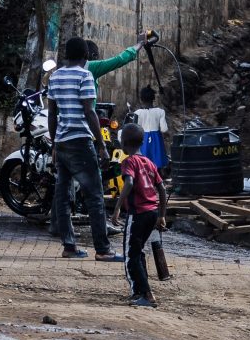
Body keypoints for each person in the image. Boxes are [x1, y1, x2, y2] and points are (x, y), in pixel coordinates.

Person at [45, 37, 122, 262]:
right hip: (81, 142)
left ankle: (69, 246)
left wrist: (54, 143)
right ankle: (103, 249)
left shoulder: (55, 77)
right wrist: (101, 145)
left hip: (62, 142)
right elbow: (89, 112)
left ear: (66, 55)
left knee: (63, 196)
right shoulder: (85, 76)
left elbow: (52, 114)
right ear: (86, 56)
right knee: (95, 196)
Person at [116, 122, 168, 308]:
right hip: (152, 213)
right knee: (138, 252)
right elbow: (162, 189)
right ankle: (139, 290)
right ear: (142, 142)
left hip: (137, 214)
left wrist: (117, 207)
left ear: (123, 144)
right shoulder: (150, 163)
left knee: (131, 255)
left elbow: (129, 183)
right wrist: (161, 215)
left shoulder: (129, 162)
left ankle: (147, 295)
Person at [133, 86, 169, 171]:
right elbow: (164, 129)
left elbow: (134, 129)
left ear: (141, 99)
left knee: (143, 165)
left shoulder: (137, 113)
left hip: (143, 140)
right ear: (153, 98)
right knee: (157, 166)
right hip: (157, 141)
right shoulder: (160, 112)